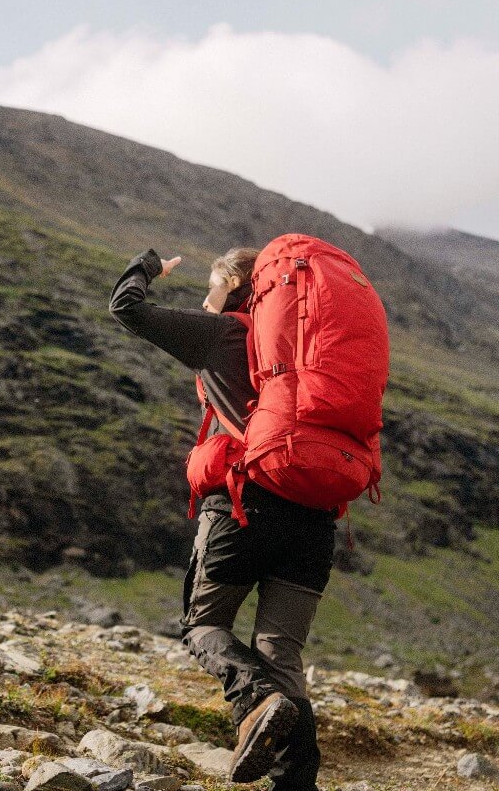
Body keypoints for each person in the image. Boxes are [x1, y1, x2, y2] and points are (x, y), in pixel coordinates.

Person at [109, 248, 335, 791]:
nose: (205, 296)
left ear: (234, 282)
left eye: (212, 284)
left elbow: (125, 307)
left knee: (204, 624)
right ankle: (296, 782)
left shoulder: (223, 333)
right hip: (316, 519)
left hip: (245, 505)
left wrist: (148, 265)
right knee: (280, 651)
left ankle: (259, 702)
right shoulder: (304, 350)